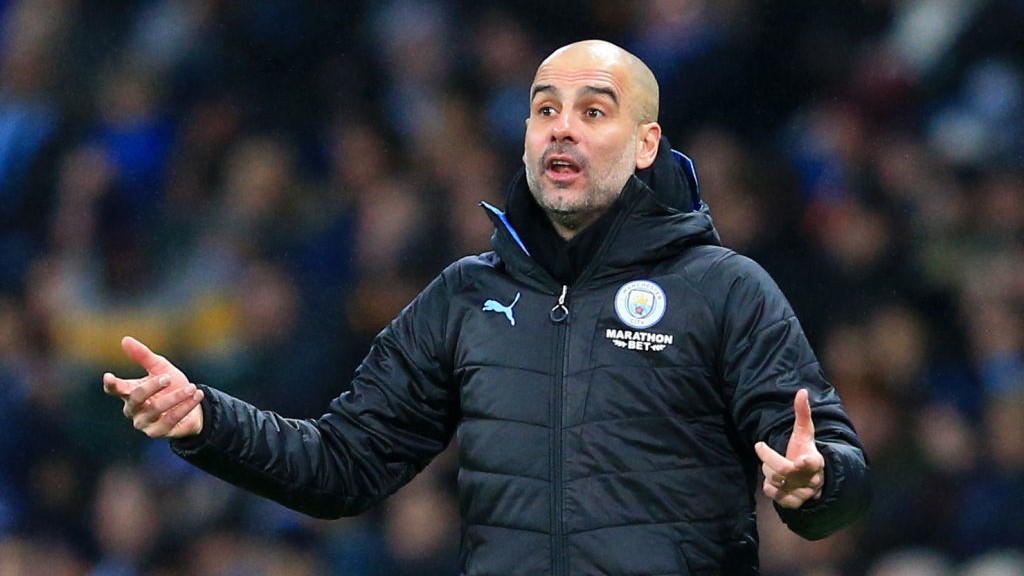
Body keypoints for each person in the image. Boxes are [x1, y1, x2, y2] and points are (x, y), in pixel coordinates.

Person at [103, 40, 870, 575]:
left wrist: (818, 482)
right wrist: (207, 419)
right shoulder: (468, 295)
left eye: (594, 111)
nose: (562, 126)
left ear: (646, 144)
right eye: (544, 110)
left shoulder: (725, 289)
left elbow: (831, 468)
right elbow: (343, 466)